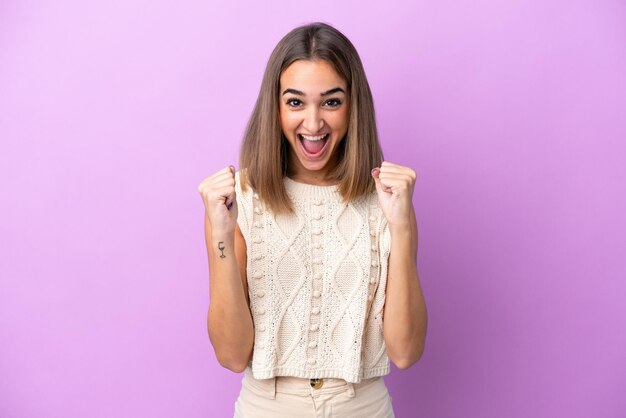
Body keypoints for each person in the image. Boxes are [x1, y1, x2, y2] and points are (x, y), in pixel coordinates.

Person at [197, 22, 428, 418]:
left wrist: (401, 227)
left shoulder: (387, 201)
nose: (314, 123)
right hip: (266, 408)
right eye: (296, 102)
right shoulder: (240, 200)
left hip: (363, 407)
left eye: (332, 102)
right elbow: (232, 355)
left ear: (354, 106)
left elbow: (405, 351)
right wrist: (220, 232)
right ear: (276, 106)